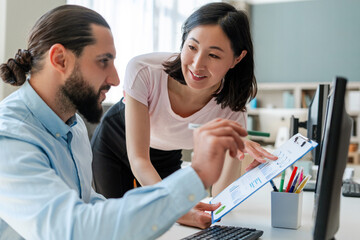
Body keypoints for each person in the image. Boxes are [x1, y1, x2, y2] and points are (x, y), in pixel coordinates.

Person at [0, 5, 251, 240]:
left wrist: (172, 205)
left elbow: (88, 203)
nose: (117, 79)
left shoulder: (72, 126)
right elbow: (73, 229)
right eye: (103, 61)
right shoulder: (10, 138)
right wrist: (194, 178)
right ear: (60, 60)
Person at [91, 2, 277, 229]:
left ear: (237, 59)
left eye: (214, 56)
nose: (197, 65)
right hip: (117, 145)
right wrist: (176, 209)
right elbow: (139, 159)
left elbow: (219, 200)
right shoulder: (144, 70)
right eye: (192, 47)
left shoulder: (232, 106)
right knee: (121, 225)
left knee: (172, 226)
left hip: (166, 154)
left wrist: (235, 153)